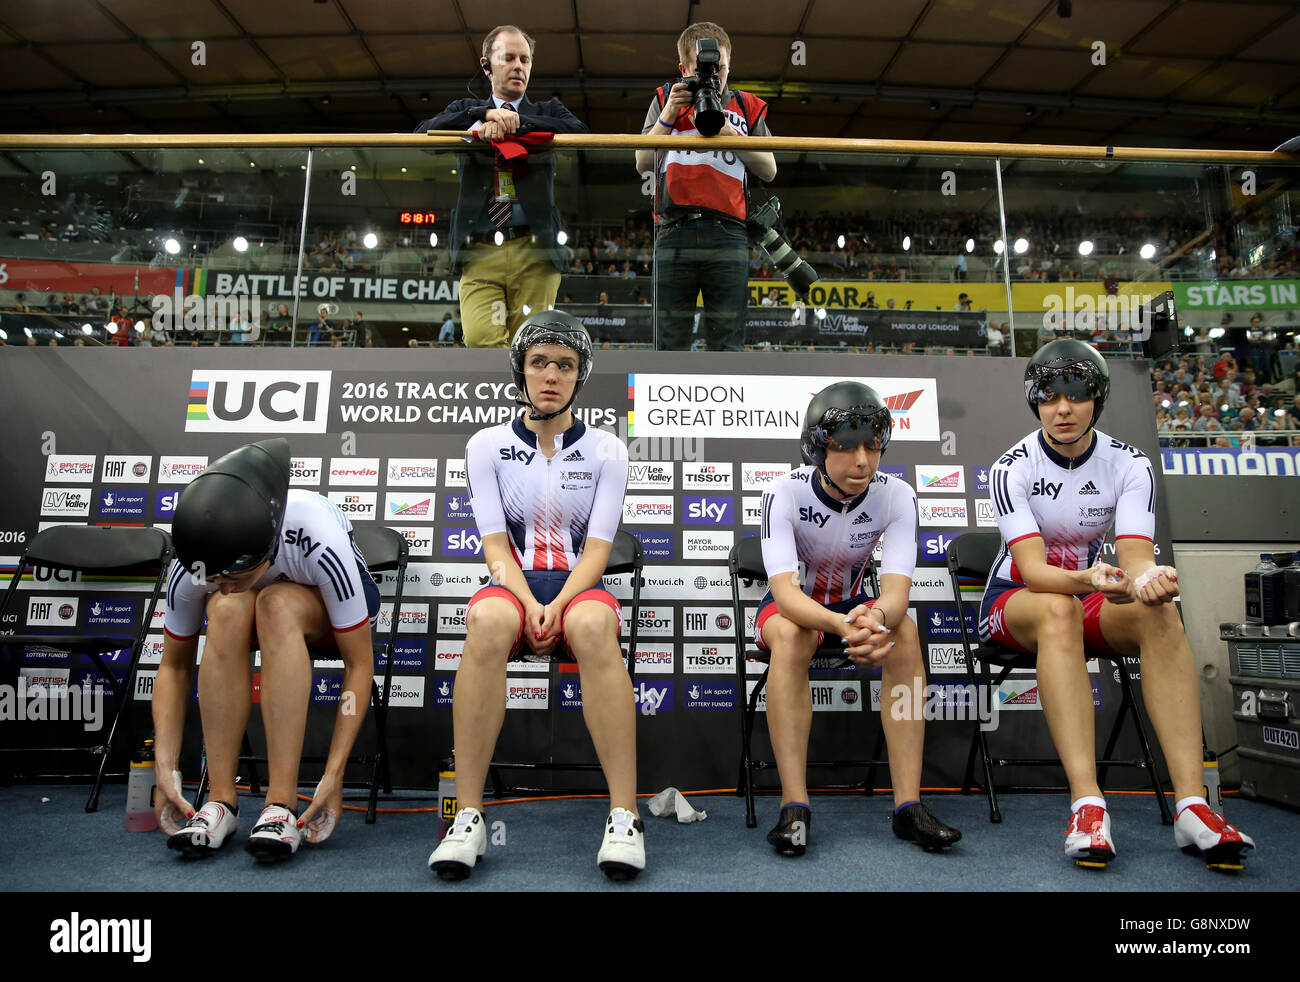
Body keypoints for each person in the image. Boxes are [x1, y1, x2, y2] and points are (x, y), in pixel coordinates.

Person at [982, 339, 1254, 870]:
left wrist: (1150, 579)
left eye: (1076, 395)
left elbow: (1134, 558)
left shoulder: (1129, 463)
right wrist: (1086, 578)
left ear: (1096, 399)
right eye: (1048, 396)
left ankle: (1193, 805)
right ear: (1034, 401)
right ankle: (1088, 803)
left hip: (1085, 595)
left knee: (1159, 613)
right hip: (1017, 600)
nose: (1062, 409)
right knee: (1058, 607)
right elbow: (1035, 572)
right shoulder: (1009, 467)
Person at [427, 310, 640, 880]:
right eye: (539, 362)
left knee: (593, 627)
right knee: (491, 622)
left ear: (580, 375)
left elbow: (597, 552)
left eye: (565, 365)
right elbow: (495, 545)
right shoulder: (486, 445)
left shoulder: (607, 450)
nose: (551, 375)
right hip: (513, 584)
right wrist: (528, 601)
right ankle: (467, 817)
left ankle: (625, 815)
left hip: (578, 586)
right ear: (520, 371)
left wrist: (559, 603)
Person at [757, 382, 961, 856]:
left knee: (904, 632)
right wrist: (845, 624)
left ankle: (908, 806)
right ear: (817, 447)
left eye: (872, 446)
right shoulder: (781, 493)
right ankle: (794, 807)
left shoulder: (897, 495)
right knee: (793, 635)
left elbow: (896, 593)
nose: (863, 462)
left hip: (855, 605)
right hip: (791, 611)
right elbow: (785, 595)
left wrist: (875, 617)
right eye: (846, 447)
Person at [152, 439, 379, 862]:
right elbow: (174, 666)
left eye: (234, 574)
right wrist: (164, 766)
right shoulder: (195, 557)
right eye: (214, 576)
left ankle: (281, 804)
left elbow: (359, 665)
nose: (222, 584)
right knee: (224, 609)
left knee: (274, 605)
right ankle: (220, 801)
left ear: (268, 547)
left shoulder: (317, 536)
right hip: (259, 600)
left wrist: (334, 775)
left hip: (319, 603)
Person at [416, 25, 587, 348]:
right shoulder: (465, 111)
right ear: (486, 65)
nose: (518, 66)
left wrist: (518, 123)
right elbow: (422, 137)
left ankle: (524, 402)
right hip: (478, 251)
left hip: (536, 251)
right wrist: (483, 116)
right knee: (481, 341)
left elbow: (580, 132)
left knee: (531, 350)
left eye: (525, 59)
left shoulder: (547, 110)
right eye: (508, 58)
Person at [635, 22, 776, 351]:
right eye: (702, 69)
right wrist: (671, 111)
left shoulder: (746, 106)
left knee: (727, 338)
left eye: (720, 68)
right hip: (673, 229)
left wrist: (729, 133)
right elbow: (642, 161)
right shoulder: (664, 99)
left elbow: (769, 170)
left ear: (729, 65)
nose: (713, 77)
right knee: (669, 338)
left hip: (728, 232)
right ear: (683, 68)